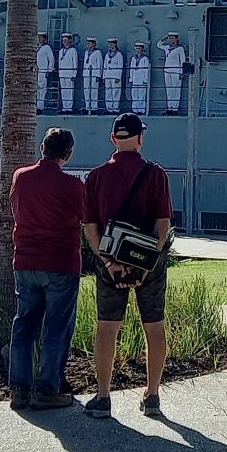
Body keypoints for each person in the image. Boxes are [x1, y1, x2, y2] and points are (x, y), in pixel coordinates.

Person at [81, 112, 173, 419]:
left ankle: (103, 397)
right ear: (140, 139)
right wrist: (146, 264)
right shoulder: (156, 174)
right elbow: (163, 224)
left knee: (107, 327)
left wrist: (108, 263)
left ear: (113, 139)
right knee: (154, 326)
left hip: (111, 262)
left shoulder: (95, 177)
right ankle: (153, 395)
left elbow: (90, 228)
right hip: (149, 264)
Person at [6, 127, 85, 412]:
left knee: (24, 324)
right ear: (68, 154)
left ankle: (19, 389)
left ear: (42, 147)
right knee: (56, 328)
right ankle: (47, 389)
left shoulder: (21, 176)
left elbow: (15, 209)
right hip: (61, 262)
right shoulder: (72, 186)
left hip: (26, 261)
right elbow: (87, 217)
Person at [159, 33, 186, 115]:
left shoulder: (180, 48)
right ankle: (169, 107)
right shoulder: (167, 47)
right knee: (169, 90)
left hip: (176, 71)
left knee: (176, 90)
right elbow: (158, 45)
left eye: (173, 38)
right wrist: (163, 39)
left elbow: (183, 60)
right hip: (167, 71)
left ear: (176, 38)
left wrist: (182, 72)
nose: (171, 40)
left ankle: (175, 109)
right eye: (170, 38)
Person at [57, 34, 81, 113]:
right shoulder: (61, 51)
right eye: (63, 40)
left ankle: (69, 107)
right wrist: (59, 73)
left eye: (66, 40)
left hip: (70, 74)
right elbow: (59, 63)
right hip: (62, 73)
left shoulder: (73, 50)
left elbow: (75, 63)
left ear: (70, 41)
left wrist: (74, 74)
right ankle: (65, 107)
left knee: (69, 90)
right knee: (63, 91)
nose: (64, 42)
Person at [102, 38, 125, 115]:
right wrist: (104, 76)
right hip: (108, 75)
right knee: (108, 92)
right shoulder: (107, 55)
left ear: (115, 44)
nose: (111, 45)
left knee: (116, 92)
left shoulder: (119, 54)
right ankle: (108, 108)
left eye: (112, 44)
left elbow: (120, 66)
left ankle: (115, 108)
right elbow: (105, 66)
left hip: (115, 75)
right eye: (110, 44)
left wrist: (118, 77)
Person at [127, 42, 151, 114]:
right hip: (135, 78)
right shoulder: (133, 58)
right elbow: (131, 68)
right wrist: (131, 78)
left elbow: (146, 70)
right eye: (137, 48)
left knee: (141, 94)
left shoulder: (145, 59)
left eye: (139, 48)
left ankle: (141, 109)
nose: (138, 50)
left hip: (141, 78)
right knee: (134, 94)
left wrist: (145, 79)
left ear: (142, 49)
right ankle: (135, 109)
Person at [36, 33, 56, 112]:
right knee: (37, 89)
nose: (39, 39)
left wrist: (49, 70)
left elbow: (51, 59)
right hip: (36, 71)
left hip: (43, 71)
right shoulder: (37, 47)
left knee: (42, 89)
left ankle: (40, 107)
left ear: (45, 39)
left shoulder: (47, 48)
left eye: (41, 38)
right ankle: (36, 106)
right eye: (38, 38)